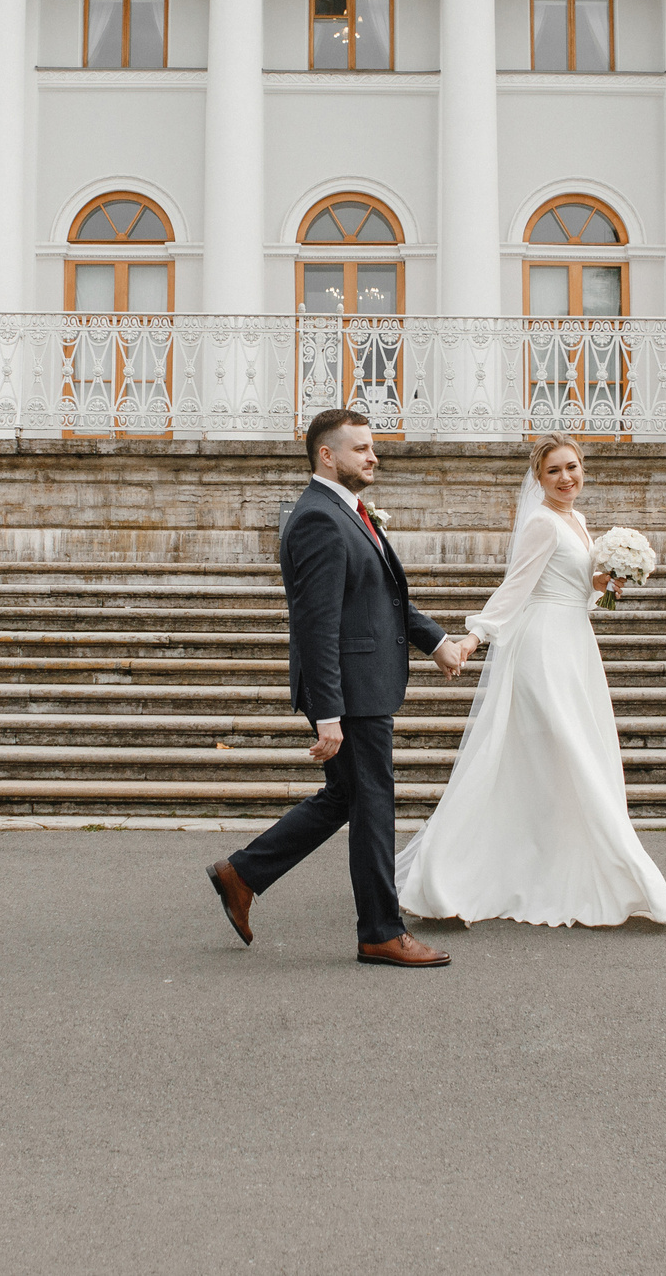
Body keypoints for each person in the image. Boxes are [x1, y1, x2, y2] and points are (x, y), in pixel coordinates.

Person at [206, 409, 476, 966]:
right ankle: (379, 930)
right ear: (327, 456)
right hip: (349, 691)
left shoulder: (346, 511)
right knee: (372, 803)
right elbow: (317, 624)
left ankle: (243, 873)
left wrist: (437, 642)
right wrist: (327, 712)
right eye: (360, 449)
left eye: (372, 447)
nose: (373, 456)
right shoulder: (318, 520)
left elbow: (382, 597)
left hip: (362, 684)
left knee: (347, 797)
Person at [394, 434, 666, 928]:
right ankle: (456, 872)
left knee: (562, 762)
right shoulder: (541, 523)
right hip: (543, 649)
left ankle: (560, 867)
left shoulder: (578, 521)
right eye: (554, 471)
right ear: (539, 477)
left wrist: (608, 582)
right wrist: (473, 637)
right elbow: (516, 588)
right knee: (568, 753)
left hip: (575, 644)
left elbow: (575, 584)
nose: (566, 477)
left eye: (572, 467)